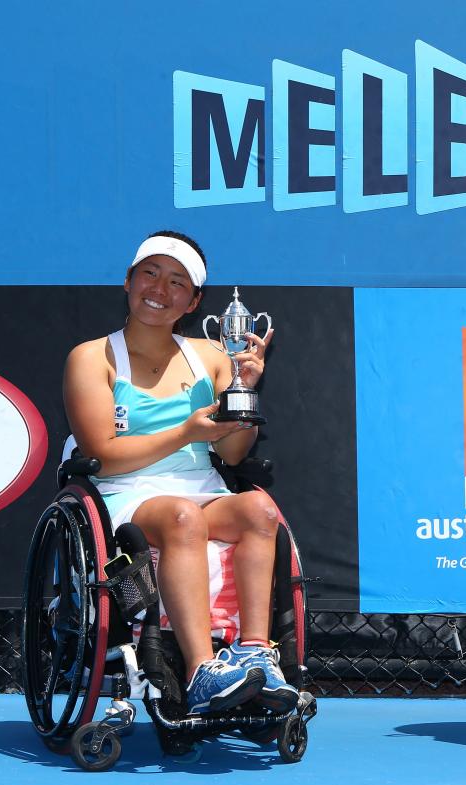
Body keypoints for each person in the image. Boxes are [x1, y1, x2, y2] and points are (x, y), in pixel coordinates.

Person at [63, 231, 299, 716]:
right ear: (128, 281)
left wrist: (244, 391)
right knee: (182, 519)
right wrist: (185, 434)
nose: (159, 289)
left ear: (193, 301)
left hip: (201, 491)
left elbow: (233, 456)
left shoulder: (212, 357)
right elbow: (101, 454)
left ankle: (256, 654)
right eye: (150, 273)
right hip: (123, 493)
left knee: (259, 508)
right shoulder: (91, 357)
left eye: (177, 282)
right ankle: (201, 671)